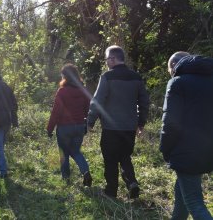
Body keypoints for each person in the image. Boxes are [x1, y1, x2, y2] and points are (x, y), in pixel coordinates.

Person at [87, 45, 149, 199]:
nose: (107, 62)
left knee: (110, 159)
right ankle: (132, 183)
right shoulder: (137, 77)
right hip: (129, 127)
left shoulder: (107, 77)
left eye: (107, 58)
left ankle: (111, 191)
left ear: (113, 59)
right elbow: (144, 102)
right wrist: (141, 123)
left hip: (111, 128)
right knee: (125, 156)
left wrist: (90, 121)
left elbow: (97, 101)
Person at [160, 52, 213, 219]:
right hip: (207, 148)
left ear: (175, 65)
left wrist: (165, 149)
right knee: (182, 195)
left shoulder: (177, 82)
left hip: (186, 150)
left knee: (194, 202)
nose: (171, 73)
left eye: (170, 69)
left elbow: (170, 123)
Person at [47, 63, 92, 186]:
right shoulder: (83, 91)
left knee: (64, 153)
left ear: (64, 76)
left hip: (64, 128)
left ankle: (66, 179)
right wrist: (86, 123)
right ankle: (86, 172)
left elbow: (56, 112)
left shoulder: (62, 92)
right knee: (76, 151)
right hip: (79, 126)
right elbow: (88, 108)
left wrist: (49, 129)